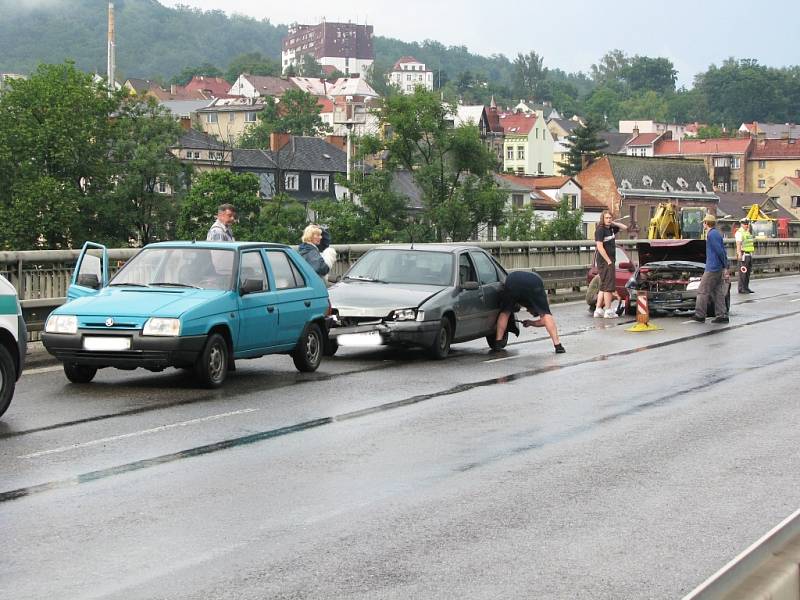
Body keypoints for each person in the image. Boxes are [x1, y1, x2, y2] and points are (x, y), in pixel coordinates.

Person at [494, 270, 565, 354]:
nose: (528, 311)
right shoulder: (540, 299)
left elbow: (544, 322)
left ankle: (498, 343)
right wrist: (531, 322)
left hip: (513, 279)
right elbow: (546, 320)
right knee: (546, 315)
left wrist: (530, 323)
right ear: (535, 309)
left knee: (505, 312)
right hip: (533, 283)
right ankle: (558, 346)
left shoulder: (532, 298)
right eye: (531, 313)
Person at [693, 213, 730, 324]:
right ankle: (722, 315)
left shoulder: (711, 235)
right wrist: (724, 265)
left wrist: (725, 266)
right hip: (717, 267)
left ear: (706, 223)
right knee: (718, 291)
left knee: (702, 291)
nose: (703, 225)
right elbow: (722, 251)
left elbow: (719, 251)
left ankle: (700, 315)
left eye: (704, 223)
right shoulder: (716, 233)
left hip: (712, 268)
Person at [593, 210, 628, 319]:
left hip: (610, 260)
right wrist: (608, 260)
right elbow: (599, 247)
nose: (608, 220)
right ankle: (608, 310)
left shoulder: (611, 228)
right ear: (602, 219)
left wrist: (614, 223)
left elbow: (625, 228)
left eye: (610, 218)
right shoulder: (600, 230)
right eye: (606, 218)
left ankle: (598, 309)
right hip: (605, 261)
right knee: (609, 286)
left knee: (603, 286)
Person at [735, 218, 755, 293]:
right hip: (743, 254)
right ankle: (741, 288)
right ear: (741, 224)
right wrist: (739, 254)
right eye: (745, 224)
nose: (746, 225)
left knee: (747, 273)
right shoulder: (739, 233)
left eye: (747, 224)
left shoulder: (747, 232)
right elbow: (738, 244)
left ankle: (746, 287)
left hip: (749, 254)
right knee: (743, 273)